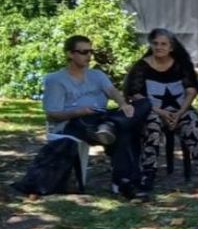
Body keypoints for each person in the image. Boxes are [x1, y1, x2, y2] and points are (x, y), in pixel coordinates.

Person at [43, 34, 151, 199]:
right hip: (74, 122)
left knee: (144, 103)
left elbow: (112, 92)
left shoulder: (97, 75)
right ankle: (124, 182)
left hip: (102, 117)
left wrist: (123, 104)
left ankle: (113, 124)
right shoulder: (55, 80)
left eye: (90, 52)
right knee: (126, 132)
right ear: (70, 54)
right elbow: (53, 114)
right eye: (84, 52)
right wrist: (80, 111)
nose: (89, 56)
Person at [123, 28, 198, 191]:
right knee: (151, 126)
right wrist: (160, 111)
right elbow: (135, 94)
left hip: (180, 110)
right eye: (155, 43)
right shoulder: (141, 67)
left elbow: (191, 90)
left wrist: (180, 112)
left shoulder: (182, 65)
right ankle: (148, 174)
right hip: (153, 110)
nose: (159, 47)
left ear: (171, 47)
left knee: (193, 125)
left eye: (163, 44)